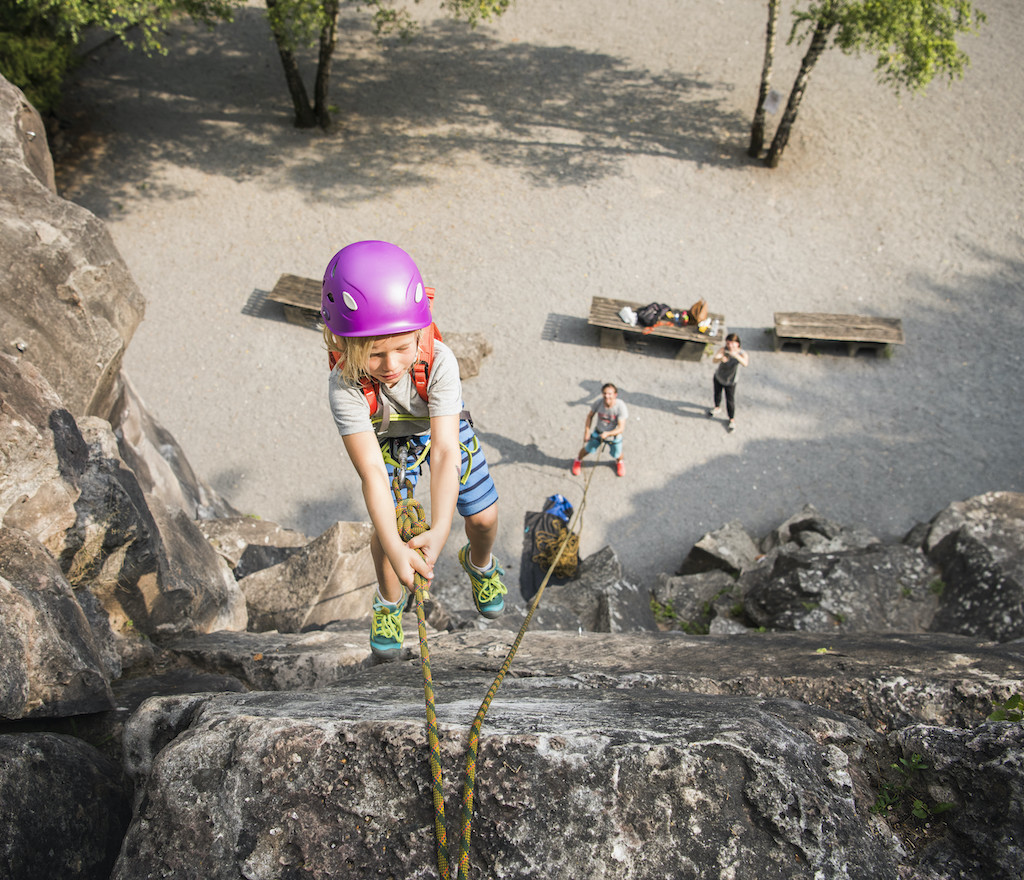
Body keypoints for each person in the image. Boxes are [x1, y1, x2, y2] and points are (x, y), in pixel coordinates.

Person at [322, 240, 505, 660]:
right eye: (374, 354)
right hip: (383, 439)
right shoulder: (344, 384)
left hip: (436, 429)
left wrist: (441, 529)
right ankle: (388, 603)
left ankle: (480, 563)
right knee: (386, 538)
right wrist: (397, 549)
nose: (390, 366)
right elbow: (371, 470)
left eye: (402, 348)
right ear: (344, 344)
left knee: (483, 517)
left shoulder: (439, 361)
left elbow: (444, 450)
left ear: (420, 331)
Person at [571, 383, 628, 477]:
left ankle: (619, 462)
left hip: (613, 435)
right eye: (605, 393)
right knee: (587, 449)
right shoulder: (598, 403)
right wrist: (587, 432)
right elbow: (590, 416)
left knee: (618, 453)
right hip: (598, 432)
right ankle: (578, 460)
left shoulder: (620, 406)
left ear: (615, 394)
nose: (606, 396)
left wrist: (608, 433)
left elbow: (621, 428)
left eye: (610, 394)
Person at [707, 333, 749, 432]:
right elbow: (714, 359)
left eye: (732, 344)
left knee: (730, 400)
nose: (730, 346)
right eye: (728, 343)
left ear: (738, 344)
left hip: (731, 381)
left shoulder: (742, 353)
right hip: (719, 377)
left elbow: (745, 363)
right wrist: (720, 358)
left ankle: (731, 419)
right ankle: (717, 407)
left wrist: (736, 356)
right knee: (717, 393)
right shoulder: (724, 349)